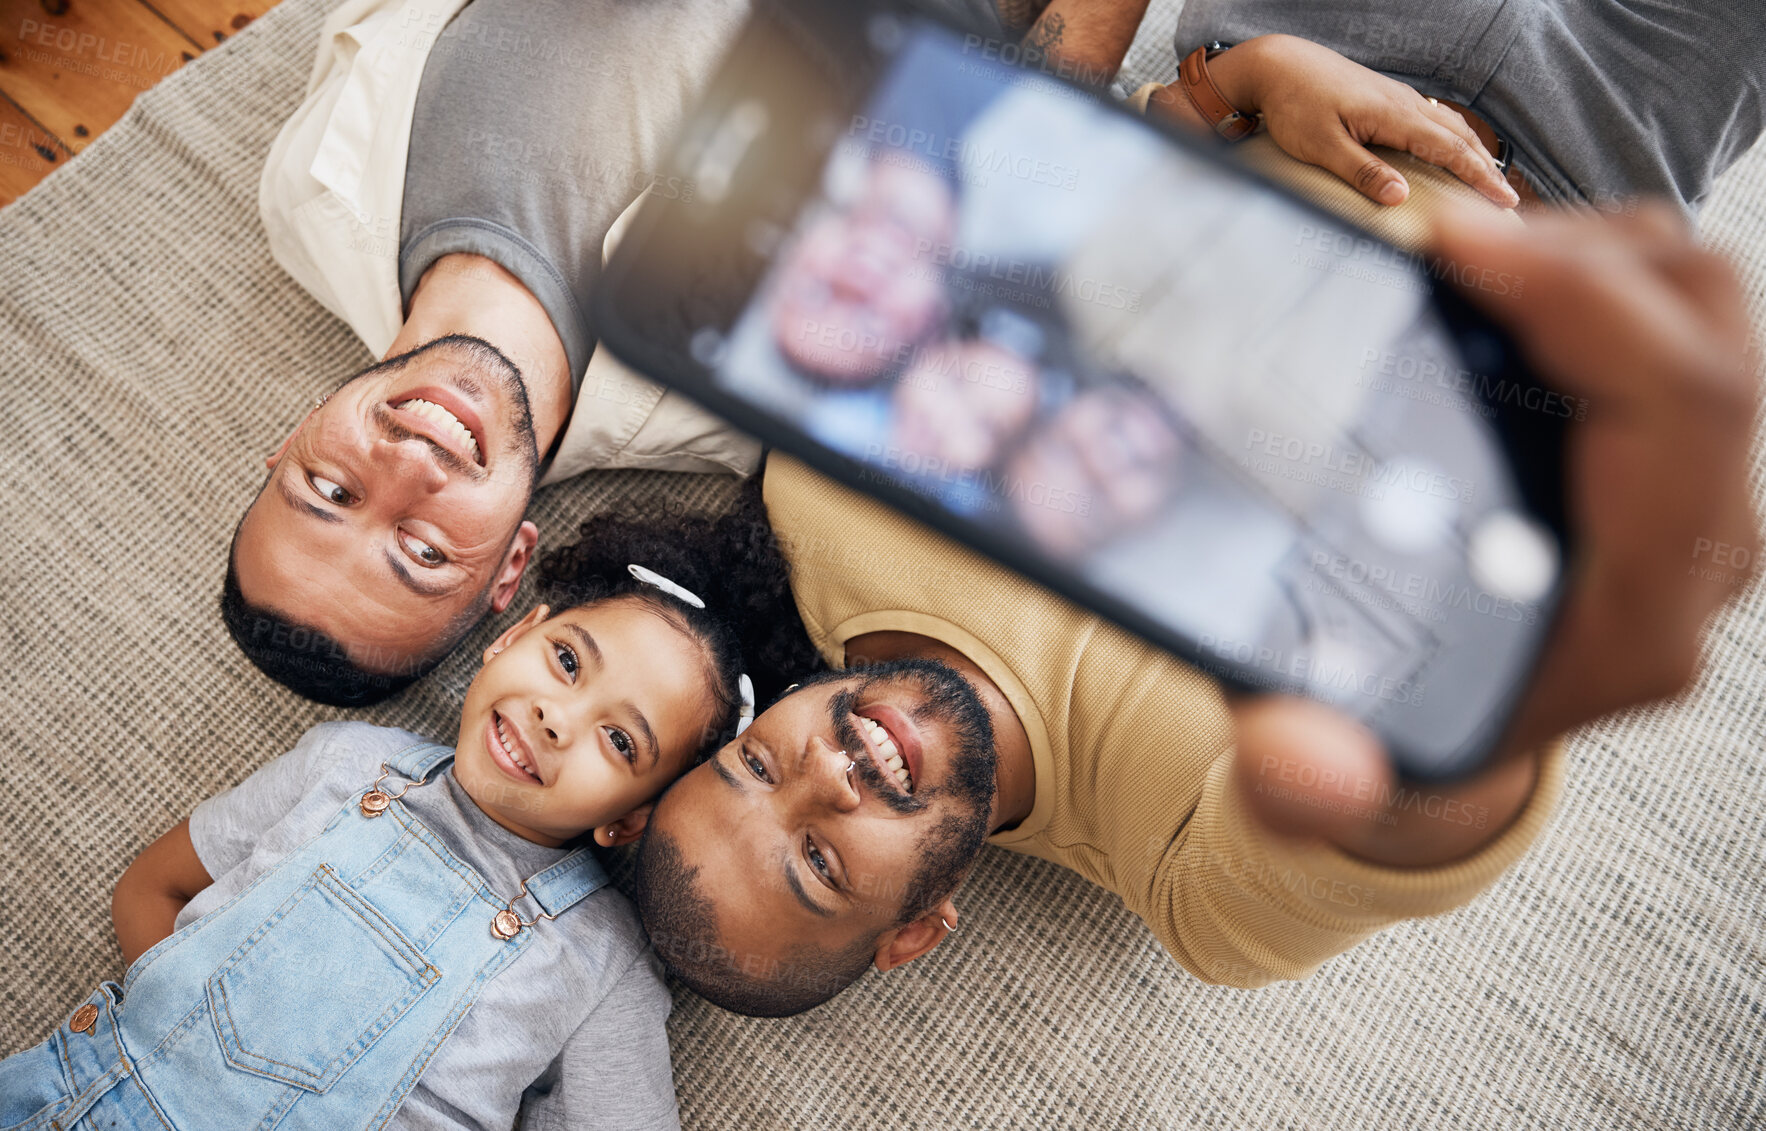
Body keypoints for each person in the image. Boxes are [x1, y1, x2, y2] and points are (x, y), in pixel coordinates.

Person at [250, 0, 1760, 1020]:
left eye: (760, 769)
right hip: (1582, 195)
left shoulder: (820, 495)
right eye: (826, 861)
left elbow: (1067, 163)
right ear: (915, 930)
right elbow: (1419, 811)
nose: (828, 773)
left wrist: (1234, 85)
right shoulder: (1185, 876)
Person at [0, 497, 818, 1128]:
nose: (557, 717)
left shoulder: (602, 963)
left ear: (630, 819)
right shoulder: (347, 760)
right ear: (515, 635)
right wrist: (173, 1047)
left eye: (618, 740)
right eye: (567, 660)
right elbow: (152, 887)